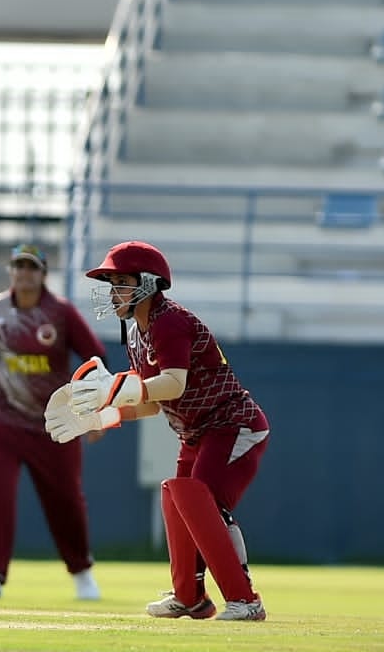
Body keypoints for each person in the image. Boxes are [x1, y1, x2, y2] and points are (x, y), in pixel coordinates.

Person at [45, 240, 270, 622]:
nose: (114, 292)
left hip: (233, 425)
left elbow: (174, 384)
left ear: (148, 283)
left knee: (200, 499)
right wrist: (104, 415)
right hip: (196, 432)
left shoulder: (170, 321)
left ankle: (245, 599)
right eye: (112, 284)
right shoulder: (136, 333)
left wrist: (119, 389)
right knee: (176, 495)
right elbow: (152, 402)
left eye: (121, 283)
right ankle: (190, 598)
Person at [0, 243, 109, 601]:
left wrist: (94, 412)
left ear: (43, 273)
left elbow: (97, 359)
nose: (24, 273)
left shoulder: (61, 312)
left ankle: (81, 571)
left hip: (56, 424)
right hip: (2, 420)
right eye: (18, 266)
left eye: (31, 267)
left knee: (65, 499)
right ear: (10, 272)